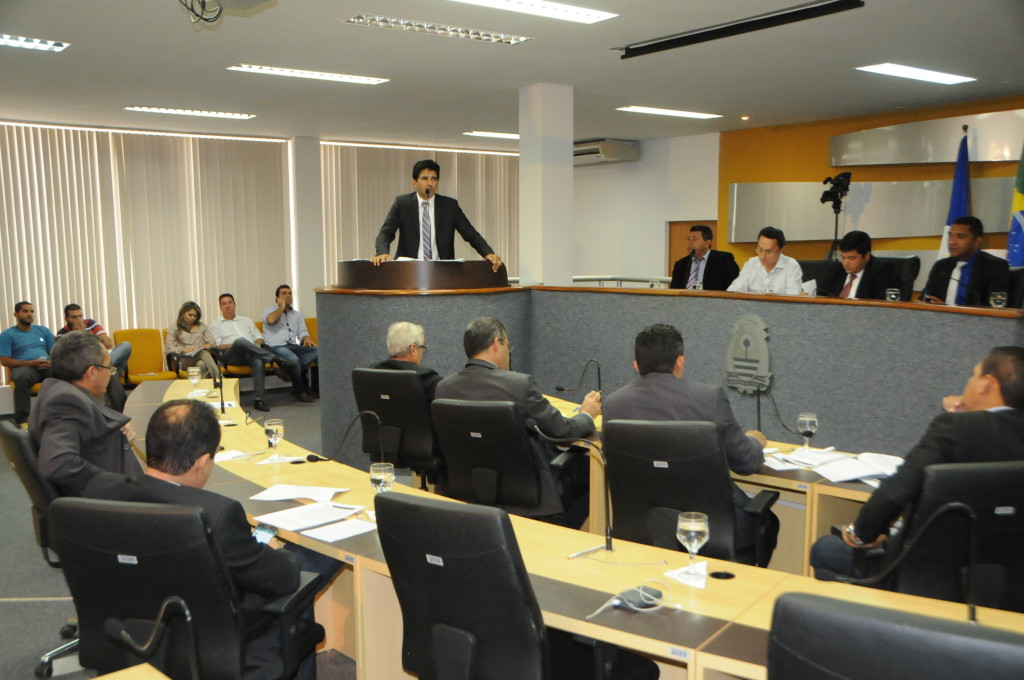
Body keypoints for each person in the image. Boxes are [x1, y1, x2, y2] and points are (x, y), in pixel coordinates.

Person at [82, 399, 316, 680]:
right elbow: (282, 579)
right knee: (309, 565)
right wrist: (278, 552)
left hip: (127, 634)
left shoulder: (99, 491)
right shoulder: (216, 514)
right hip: (215, 648)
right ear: (202, 462)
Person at [809, 346, 1024, 579]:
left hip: (928, 571)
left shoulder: (955, 428)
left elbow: (896, 492)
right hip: (1009, 577)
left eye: (973, 375)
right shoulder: (966, 428)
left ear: (986, 384)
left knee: (825, 549)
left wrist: (860, 534)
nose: (968, 383)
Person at [602, 324, 772, 552]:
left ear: (636, 366)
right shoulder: (709, 398)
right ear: (680, 362)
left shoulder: (613, 404)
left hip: (645, 526)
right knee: (769, 523)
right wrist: (754, 441)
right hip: (710, 529)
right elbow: (746, 462)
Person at [435, 317, 600, 526]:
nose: (508, 352)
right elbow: (562, 431)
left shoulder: (444, 388)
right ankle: (556, 534)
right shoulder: (519, 384)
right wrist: (586, 414)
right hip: (529, 492)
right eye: (508, 345)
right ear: (497, 343)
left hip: (472, 486)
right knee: (593, 471)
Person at [31, 331, 140, 496]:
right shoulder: (67, 402)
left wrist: (118, 431)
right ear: (92, 372)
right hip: (112, 502)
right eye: (110, 368)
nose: (111, 374)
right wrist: (119, 485)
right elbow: (57, 463)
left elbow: (88, 430)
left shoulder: (61, 391)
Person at [371, 159, 503, 273]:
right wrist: (382, 252)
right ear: (414, 183)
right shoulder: (402, 204)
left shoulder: (449, 206)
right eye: (425, 178)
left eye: (434, 179)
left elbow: (471, 234)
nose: (430, 183)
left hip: (442, 272)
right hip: (409, 271)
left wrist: (488, 253)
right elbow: (386, 233)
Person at [211, 293, 291, 412]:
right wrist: (239, 344)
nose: (227, 306)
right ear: (220, 307)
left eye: (230, 302)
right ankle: (274, 358)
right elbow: (218, 346)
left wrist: (251, 346)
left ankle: (259, 400)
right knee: (240, 341)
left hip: (250, 353)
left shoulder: (246, 320)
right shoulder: (215, 325)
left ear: (234, 305)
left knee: (258, 361)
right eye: (224, 303)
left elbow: (259, 338)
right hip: (231, 355)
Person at [921, 216, 1010, 307]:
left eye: (961, 236)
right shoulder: (941, 266)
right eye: (950, 235)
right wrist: (929, 301)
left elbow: (995, 306)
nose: (952, 242)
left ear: (977, 241)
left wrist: (947, 309)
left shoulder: (994, 266)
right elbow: (926, 297)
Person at [1, 301, 55, 425]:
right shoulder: (7, 335)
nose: (29, 314)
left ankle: (62, 415)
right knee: (21, 377)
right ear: (16, 314)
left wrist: (50, 362)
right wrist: (31, 363)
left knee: (66, 373)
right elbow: (4, 360)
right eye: (25, 311)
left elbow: (55, 353)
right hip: (25, 367)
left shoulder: (43, 331)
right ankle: (23, 420)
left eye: (32, 311)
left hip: (46, 366)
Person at [262, 285, 317, 403]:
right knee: (294, 360)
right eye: (284, 293)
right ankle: (300, 392)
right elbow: (271, 321)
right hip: (276, 346)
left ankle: (287, 370)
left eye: (290, 293)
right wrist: (281, 307)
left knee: (318, 351)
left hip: (293, 345)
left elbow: (302, 331)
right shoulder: (269, 310)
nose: (288, 295)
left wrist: (306, 337)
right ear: (277, 298)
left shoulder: (297, 315)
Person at [370, 321, 441, 403]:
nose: (422, 352)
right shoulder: (429, 380)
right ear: (412, 349)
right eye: (421, 348)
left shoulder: (371, 373)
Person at [57, 303, 132, 376]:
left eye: (80, 316)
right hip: (86, 364)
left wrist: (86, 334)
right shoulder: (62, 334)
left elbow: (109, 344)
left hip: (102, 357)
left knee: (126, 345)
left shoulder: (90, 323)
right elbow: (71, 357)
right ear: (66, 319)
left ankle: (105, 372)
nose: (79, 319)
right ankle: (108, 373)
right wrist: (79, 334)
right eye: (74, 317)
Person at [819, 230, 897, 299]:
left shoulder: (881, 271)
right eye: (843, 257)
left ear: (866, 256)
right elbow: (820, 299)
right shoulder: (834, 270)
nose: (845, 263)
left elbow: (882, 305)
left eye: (851, 258)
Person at [727, 226, 804, 295]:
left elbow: (793, 299)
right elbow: (733, 292)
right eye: (760, 250)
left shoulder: (791, 266)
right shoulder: (751, 264)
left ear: (782, 250)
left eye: (769, 251)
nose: (762, 256)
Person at [669, 224, 740, 291]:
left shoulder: (723, 260)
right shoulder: (680, 264)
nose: (690, 243)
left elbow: (735, 287)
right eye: (689, 239)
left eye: (694, 239)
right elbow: (674, 290)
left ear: (707, 243)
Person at [165, 301, 220, 379]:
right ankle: (220, 379)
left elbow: (213, 342)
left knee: (202, 364)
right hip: (184, 359)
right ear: (183, 313)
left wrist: (205, 346)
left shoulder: (202, 326)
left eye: (195, 316)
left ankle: (203, 386)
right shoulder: (174, 328)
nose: (192, 318)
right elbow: (169, 348)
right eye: (190, 315)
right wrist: (183, 350)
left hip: (202, 357)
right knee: (203, 353)